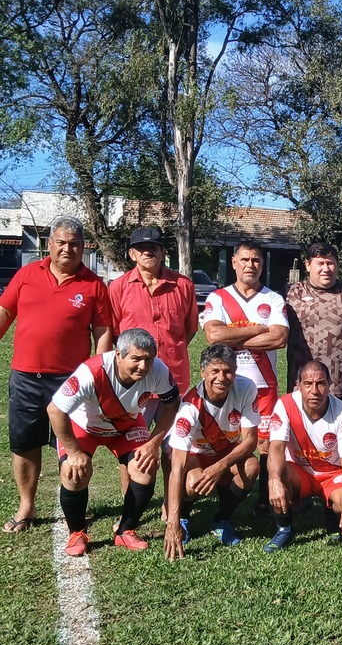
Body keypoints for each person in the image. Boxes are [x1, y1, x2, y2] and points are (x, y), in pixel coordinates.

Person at [0, 216, 113, 533]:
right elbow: (3, 312)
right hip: (26, 376)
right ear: (50, 244)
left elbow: (104, 332)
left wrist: (96, 374)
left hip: (71, 382)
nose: (67, 248)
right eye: (61, 242)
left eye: (74, 244)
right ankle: (26, 507)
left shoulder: (94, 285)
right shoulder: (27, 274)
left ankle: (73, 511)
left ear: (83, 248)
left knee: (71, 446)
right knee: (24, 444)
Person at [47, 328, 179, 555]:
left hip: (125, 425)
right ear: (118, 354)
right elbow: (55, 410)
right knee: (74, 471)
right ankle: (77, 532)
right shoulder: (91, 372)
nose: (143, 366)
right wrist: (73, 451)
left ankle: (125, 530)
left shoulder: (158, 370)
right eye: (135, 359)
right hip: (85, 426)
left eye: (148, 359)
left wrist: (153, 443)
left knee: (145, 468)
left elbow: (171, 404)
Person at [202, 239, 288, 513]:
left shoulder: (273, 298)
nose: (251, 265)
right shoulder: (219, 297)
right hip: (225, 385)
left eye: (256, 261)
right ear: (234, 263)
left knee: (265, 444)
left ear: (262, 265)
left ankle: (263, 501)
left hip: (264, 384)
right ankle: (222, 488)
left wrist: (232, 339)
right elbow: (213, 335)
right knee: (223, 438)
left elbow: (280, 337)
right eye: (245, 260)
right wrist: (256, 330)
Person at [163, 344, 261, 560]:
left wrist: (220, 467)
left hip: (226, 455)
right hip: (197, 458)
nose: (222, 378)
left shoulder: (246, 388)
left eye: (228, 371)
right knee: (191, 483)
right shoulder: (189, 407)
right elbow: (177, 466)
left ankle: (222, 519)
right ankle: (184, 519)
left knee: (251, 466)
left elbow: (250, 440)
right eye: (215, 371)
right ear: (203, 372)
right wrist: (172, 521)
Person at [265, 360, 342, 553]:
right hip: (300, 473)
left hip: (332, 475)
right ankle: (284, 529)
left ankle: (332, 516)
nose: (314, 390)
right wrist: (273, 480)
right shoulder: (285, 405)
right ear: (298, 386)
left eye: (320, 383)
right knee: (279, 475)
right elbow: (276, 448)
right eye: (308, 384)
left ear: (329, 385)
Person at [108, 226, 198, 392]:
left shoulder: (183, 286)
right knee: (133, 419)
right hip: (133, 375)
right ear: (131, 254)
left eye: (153, 248)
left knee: (174, 419)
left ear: (163, 253)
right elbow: (114, 332)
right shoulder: (117, 287)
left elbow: (191, 329)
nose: (147, 252)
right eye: (141, 248)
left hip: (173, 373)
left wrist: (171, 348)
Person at [285, 241, 342, 430]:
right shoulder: (291, 293)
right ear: (308, 265)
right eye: (320, 263)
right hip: (302, 386)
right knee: (299, 447)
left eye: (330, 263)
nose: (326, 268)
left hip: (341, 388)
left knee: (340, 449)